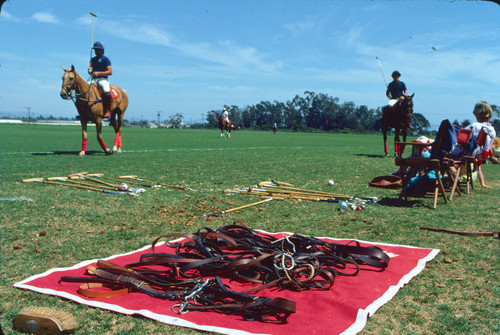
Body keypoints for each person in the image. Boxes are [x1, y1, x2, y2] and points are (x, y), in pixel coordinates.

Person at [467, 101, 496, 188]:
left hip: (469, 153)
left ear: (477, 114)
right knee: (475, 160)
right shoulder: (491, 130)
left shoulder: (474, 126)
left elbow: (463, 137)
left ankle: (449, 179)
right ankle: (482, 183)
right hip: (480, 155)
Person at [88, 41, 112, 118]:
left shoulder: (106, 59)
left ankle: (107, 110)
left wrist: (98, 73)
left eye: (98, 49)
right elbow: (91, 71)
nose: (96, 51)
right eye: (95, 49)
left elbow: (110, 72)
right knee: (84, 90)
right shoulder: (92, 59)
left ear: (102, 50)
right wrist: (90, 71)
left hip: (103, 79)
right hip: (93, 79)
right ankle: (83, 110)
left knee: (107, 93)